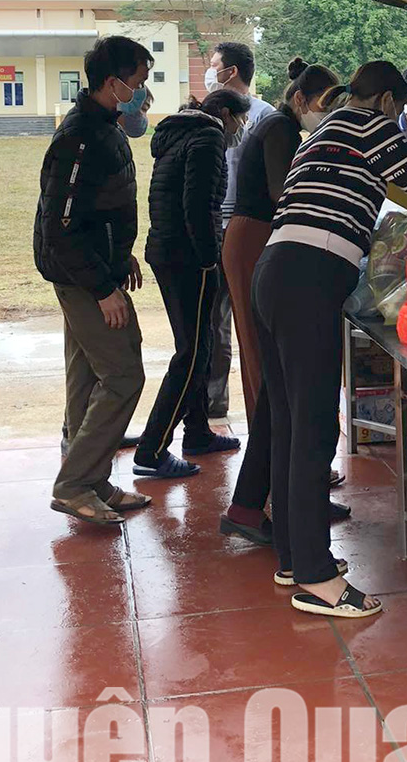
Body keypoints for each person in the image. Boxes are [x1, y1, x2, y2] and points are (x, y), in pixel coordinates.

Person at [254, 61, 407, 617]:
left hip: (273, 271)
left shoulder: (326, 129)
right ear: (388, 100)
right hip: (311, 276)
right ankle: (317, 578)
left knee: (289, 423)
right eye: (401, 105)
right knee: (315, 427)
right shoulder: (373, 126)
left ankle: (293, 557)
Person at [219, 58, 349, 544]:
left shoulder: (285, 129)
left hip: (265, 240)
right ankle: (286, 500)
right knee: (271, 376)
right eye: (324, 104)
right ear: (300, 99)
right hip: (257, 239)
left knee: (279, 385)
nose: (328, 114)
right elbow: (284, 193)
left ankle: (278, 498)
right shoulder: (280, 130)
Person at [35, 35, 155, 528]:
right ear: (113, 83)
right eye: (139, 82)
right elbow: (61, 228)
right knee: (124, 375)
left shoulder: (104, 127)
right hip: (82, 278)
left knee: (87, 376)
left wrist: (121, 256)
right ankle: (74, 484)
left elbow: (101, 209)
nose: (143, 92)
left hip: (97, 269)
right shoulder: (80, 137)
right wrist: (103, 288)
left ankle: (93, 479)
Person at [132, 89, 252, 478]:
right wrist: (208, 258)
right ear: (227, 114)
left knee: (197, 345)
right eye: (240, 120)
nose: (240, 129)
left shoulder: (179, 132)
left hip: (167, 250)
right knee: (193, 353)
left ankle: (198, 432)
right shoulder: (209, 136)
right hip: (188, 257)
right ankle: (152, 449)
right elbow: (198, 204)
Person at [203, 40, 275, 418]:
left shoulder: (264, 117)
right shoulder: (210, 112)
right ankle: (214, 403)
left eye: (214, 64)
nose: (210, 71)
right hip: (215, 227)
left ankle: (260, 405)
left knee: (252, 323)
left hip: (249, 230)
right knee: (214, 323)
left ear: (231, 71)